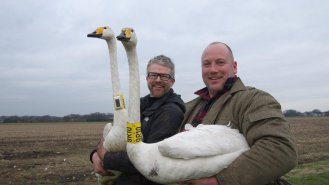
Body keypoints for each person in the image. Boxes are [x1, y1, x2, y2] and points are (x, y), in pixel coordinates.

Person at [179, 42, 297, 185]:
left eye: (220, 62)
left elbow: (280, 149)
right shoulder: (188, 108)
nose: (213, 69)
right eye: (206, 64)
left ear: (234, 67)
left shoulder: (254, 100)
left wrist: (218, 181)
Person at [90, 55, 186, 185]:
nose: (158, 80)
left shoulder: (171, 112)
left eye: (164, 76)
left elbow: (149, 159)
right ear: (147, 78)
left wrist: (106, 158)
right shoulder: (138, 104)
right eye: (153, 75)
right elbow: (115, 134)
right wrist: (95, 154)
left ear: (172, 81)